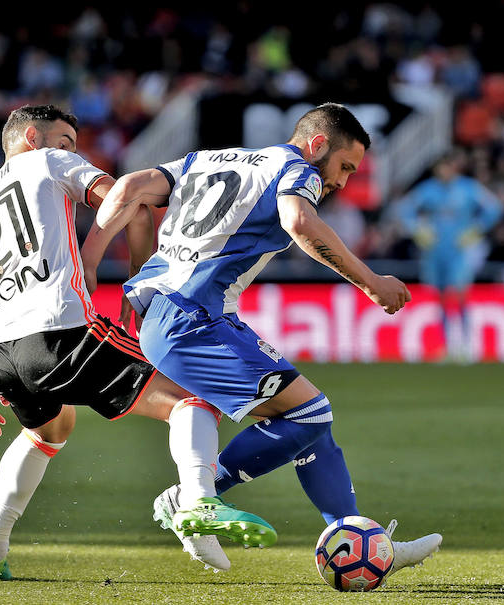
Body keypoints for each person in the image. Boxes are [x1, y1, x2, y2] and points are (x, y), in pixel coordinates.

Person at [84, 103, 442, 577]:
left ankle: (358, 535)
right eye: (345, 166)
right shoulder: (297, 170)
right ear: (318, 146)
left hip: (184, 313)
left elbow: (129, 188)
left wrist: (96, 263)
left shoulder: (208, 159)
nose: (343, 181)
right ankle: (192, 497)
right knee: (311, 411)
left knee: (314, 423)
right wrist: (370, 280)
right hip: (192, 318)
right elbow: (298, 223)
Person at [0, 104, 273, 580]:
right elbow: (131, 199)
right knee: (191, 398)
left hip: (0, 353)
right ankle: (199, 504)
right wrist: (138, 278)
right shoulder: (48, 161)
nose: (74, 151)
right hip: (60, 329)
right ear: (33, 137)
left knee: (50, 431)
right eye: (68, 142)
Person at [395, 149, 502, 361]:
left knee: (461, 295)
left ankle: (467, 346)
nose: (444, 171)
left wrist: (476, 229)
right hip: (435, 252)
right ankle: (447, 347)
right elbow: (404, 209)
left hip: (460, 252)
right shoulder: (428, 190)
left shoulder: (468, 188)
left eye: (448, 166)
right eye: (440, 167)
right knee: (442, 298)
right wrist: (418, 229)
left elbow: (494, 208)